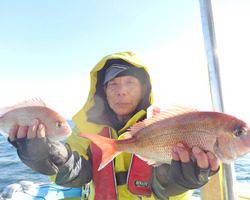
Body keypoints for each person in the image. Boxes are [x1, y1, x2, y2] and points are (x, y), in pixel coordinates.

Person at [8, 52, 219, 200]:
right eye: (113, 84)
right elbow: (77, 172)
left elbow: (163, 187)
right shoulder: (85, 129)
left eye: (130, 83)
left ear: (144, 89)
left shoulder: (163, 123)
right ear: (104, 91)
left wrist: (181, 180)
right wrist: (48, 156)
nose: (121, 91)